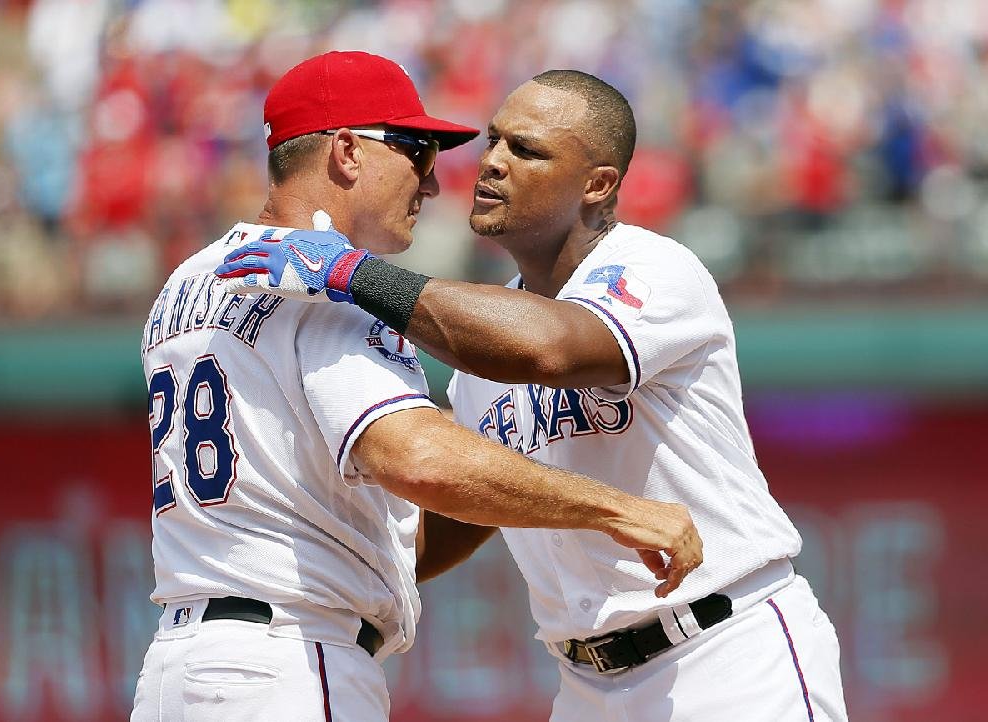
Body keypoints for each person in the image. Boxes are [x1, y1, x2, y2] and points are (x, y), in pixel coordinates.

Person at [218, 69, 849, 721]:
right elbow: (464, 514)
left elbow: (549, 348)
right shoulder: (479, 338)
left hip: (726, 652)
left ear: (597, 184)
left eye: (526, 150)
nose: (491, 161)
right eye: (493, 141)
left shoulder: (655, 268)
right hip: (586, 685)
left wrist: (353, 272)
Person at [133, 52, 703, 722]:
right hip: (286, 664)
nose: (432, 182)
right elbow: (418, 459)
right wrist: (617, 509)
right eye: (417, 150)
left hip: (179, 669)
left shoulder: (187, 281)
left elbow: (398, 527)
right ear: (347, 151)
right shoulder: (331, 289)